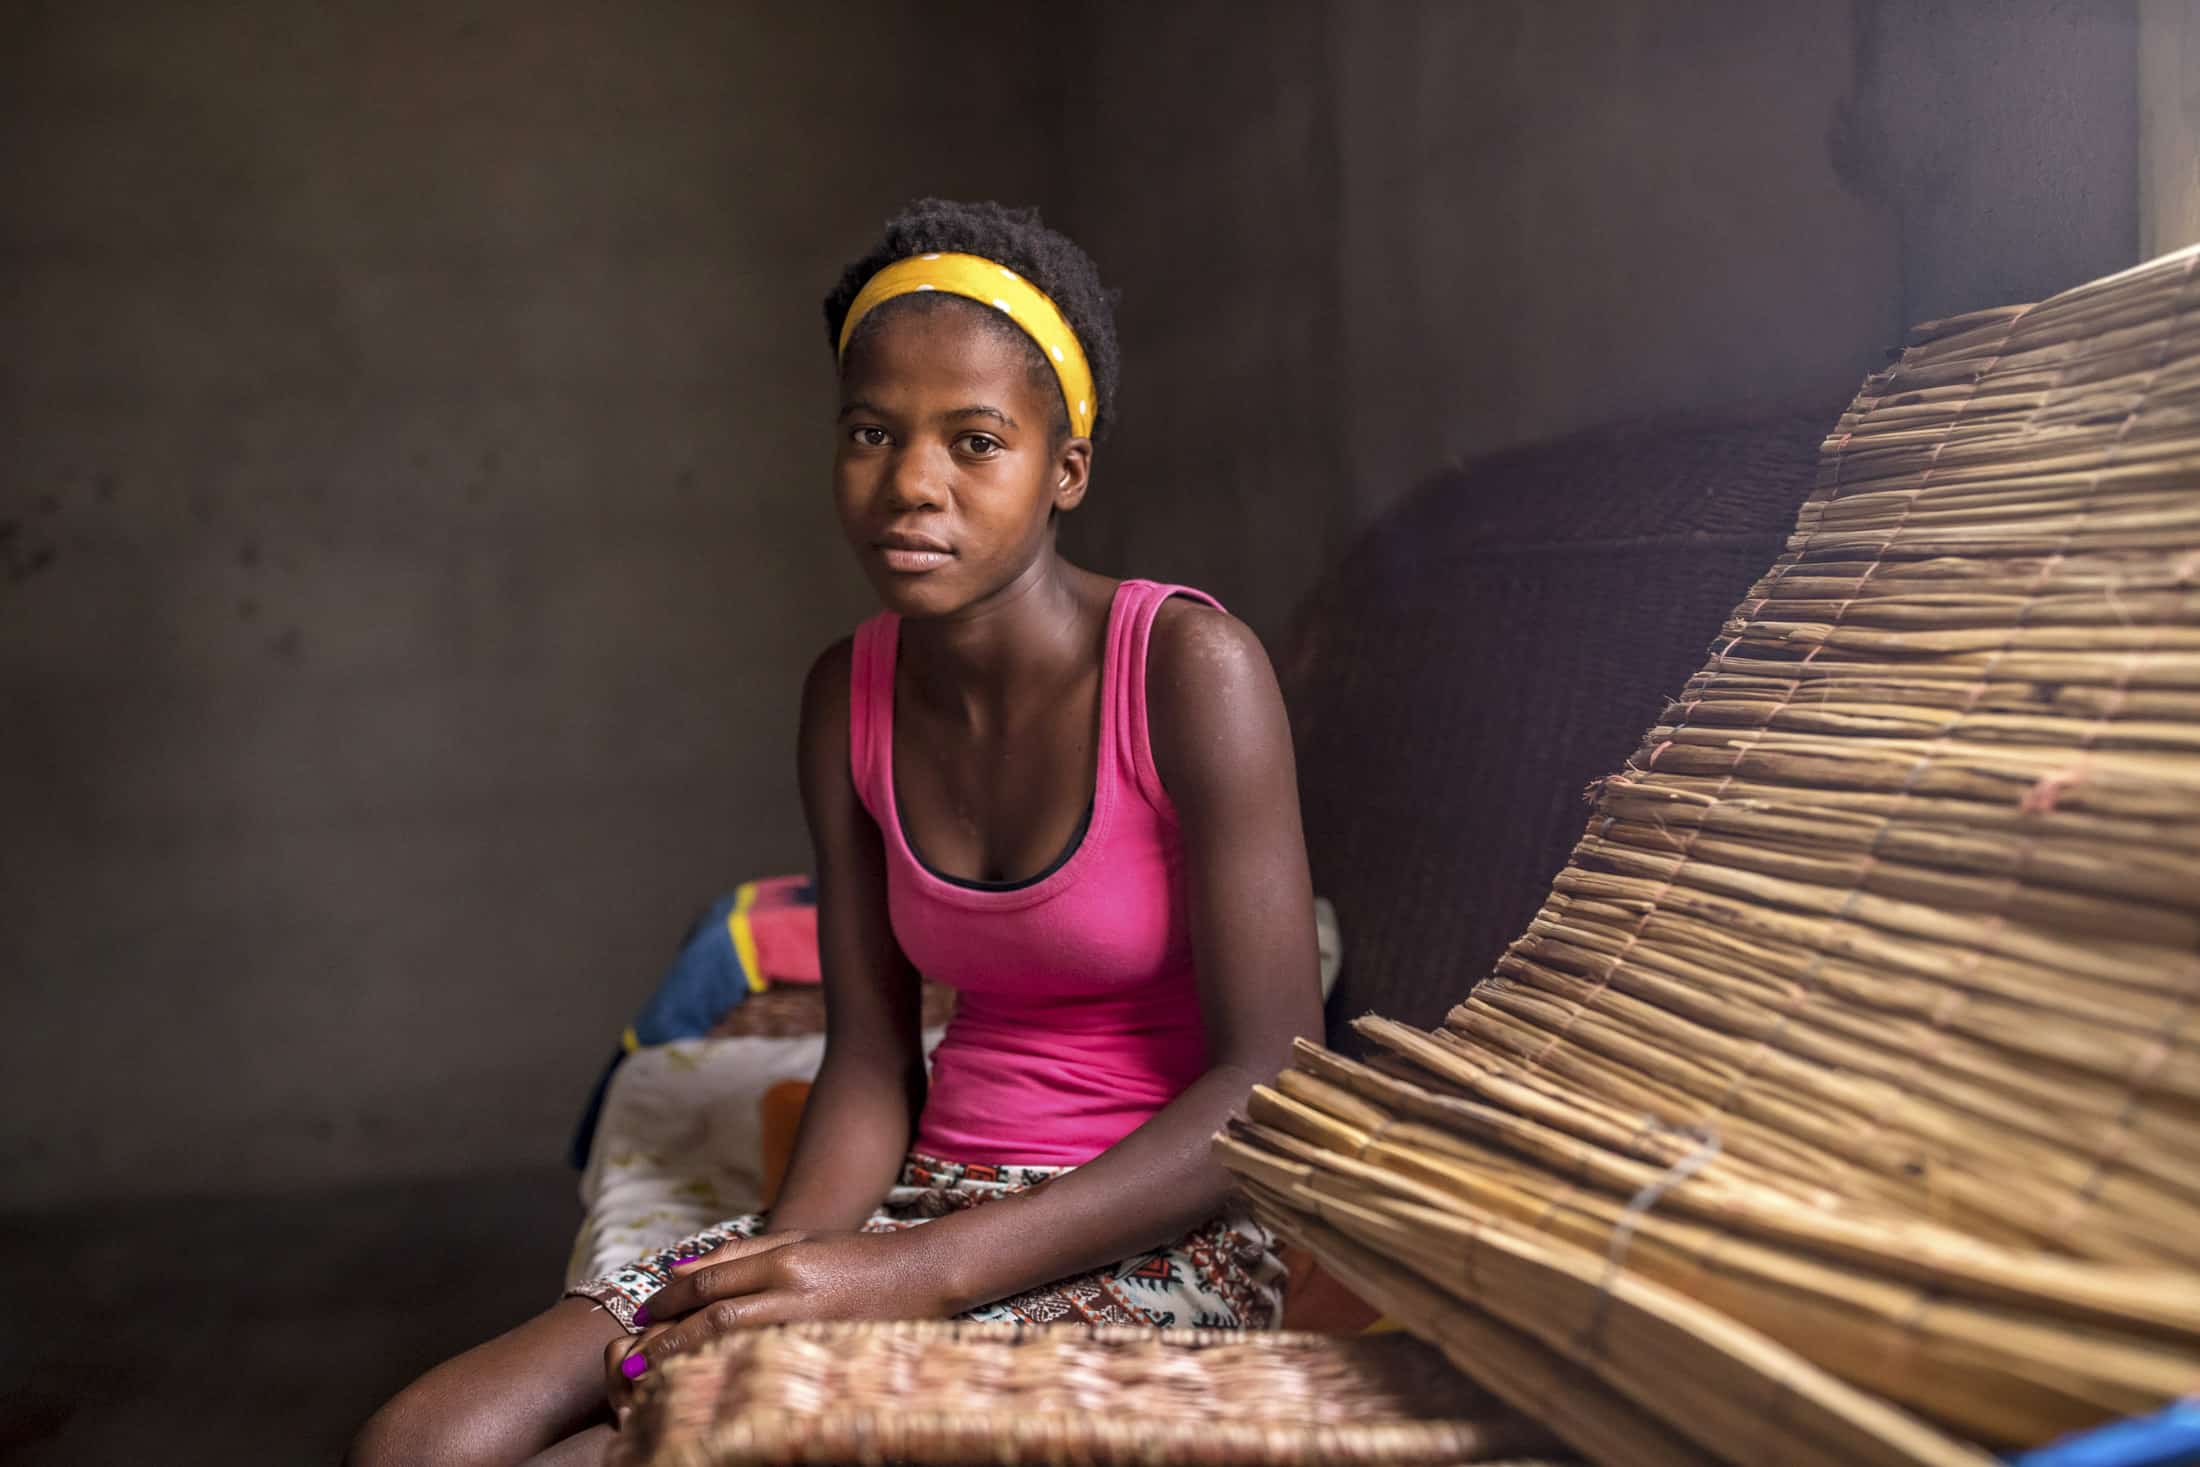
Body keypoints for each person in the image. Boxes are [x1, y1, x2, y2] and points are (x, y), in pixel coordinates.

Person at [347, 197, 1325, 1467]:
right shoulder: (844, 692)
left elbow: (1271, 1083)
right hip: (920, 1203)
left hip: (1152, 1230)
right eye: (871, 432)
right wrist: (793, 1274)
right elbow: (871, 1058)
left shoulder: (1190, 666)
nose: (912, 484)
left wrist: (919, 1272)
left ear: (1066, 467)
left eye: (977, 441)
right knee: (421, 1442)